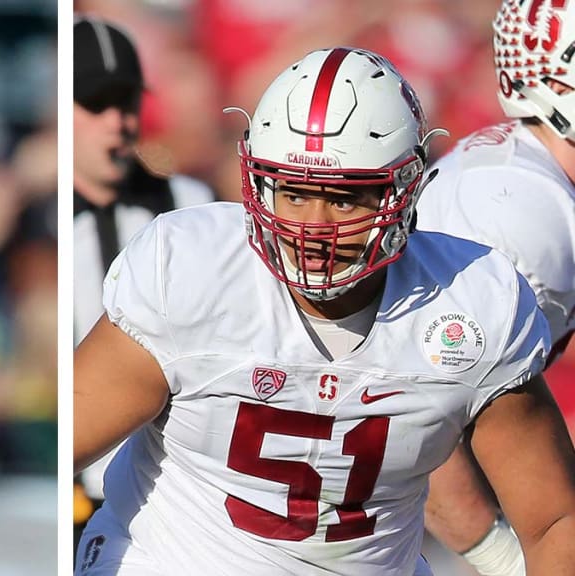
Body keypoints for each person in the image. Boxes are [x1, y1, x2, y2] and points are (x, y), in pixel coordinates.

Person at [73, 46, 575, 576]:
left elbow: (552, 520)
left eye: (343, 199)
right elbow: (68, 440)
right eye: (292, 192)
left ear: (404, 193)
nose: (314, 228)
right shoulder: (190, 271)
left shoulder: (473, 300)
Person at [415, 2, 575, 574]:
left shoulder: (529, 177)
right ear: (554, 85)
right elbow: (411, 413)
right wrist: (507, 559)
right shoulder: (518, 211)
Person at [72, 15, 213, 538]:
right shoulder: (39, 219)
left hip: (165, 494)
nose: (119, 121)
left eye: (127, 102)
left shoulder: (191, 205)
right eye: (95, 104)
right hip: (73, 481)